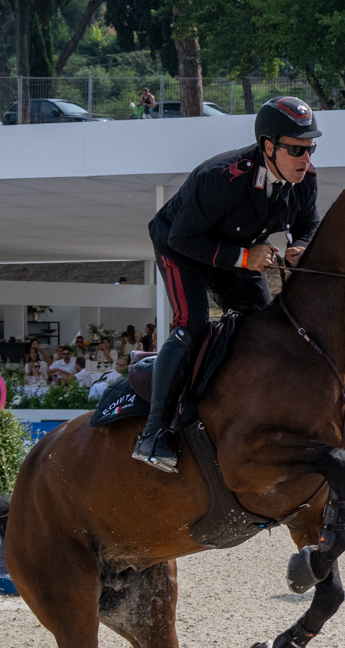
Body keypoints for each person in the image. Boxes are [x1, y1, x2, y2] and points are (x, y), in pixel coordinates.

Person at [134, 96, 322, 470]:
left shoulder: (305, 179)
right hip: (180, 246)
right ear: (269, 146)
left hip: (235, 250)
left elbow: (308, 224)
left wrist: (299, 247)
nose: (307, 159)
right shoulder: (221, 177)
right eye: (297, 150)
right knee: (193, 324)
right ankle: (153, 433)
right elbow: (183, 239)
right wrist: (244, 258)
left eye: (311, 148)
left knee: (268, 327)